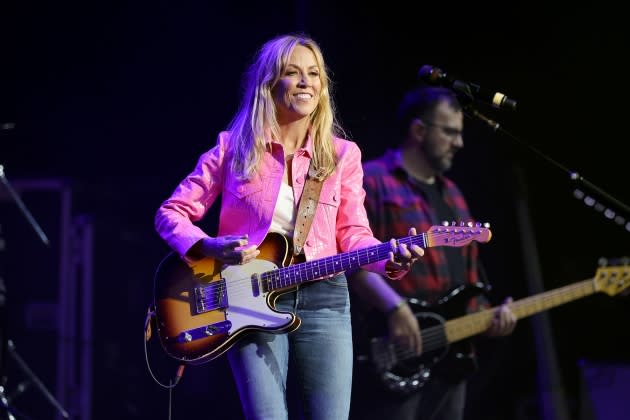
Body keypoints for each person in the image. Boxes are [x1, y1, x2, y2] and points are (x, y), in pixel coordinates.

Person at [154, 33, 424, 420]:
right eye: (293, 73)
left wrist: (391, 258)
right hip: (247, 296)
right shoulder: (233, 148)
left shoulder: (342, 156)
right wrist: (209, 247)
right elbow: (170, 213)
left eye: (314, 74)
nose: (305, 82)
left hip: (325, 299)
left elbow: (353, 235)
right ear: (269, 84)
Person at [348, 86, 517, 420]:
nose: (460, 143)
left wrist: (488, 316)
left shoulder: (453, 193)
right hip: (393, 352)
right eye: (450, 132)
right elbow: (351, 260)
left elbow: (469, 273)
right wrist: (394, 309)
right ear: (419, 130)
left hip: (451, 359)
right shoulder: (374, 180)